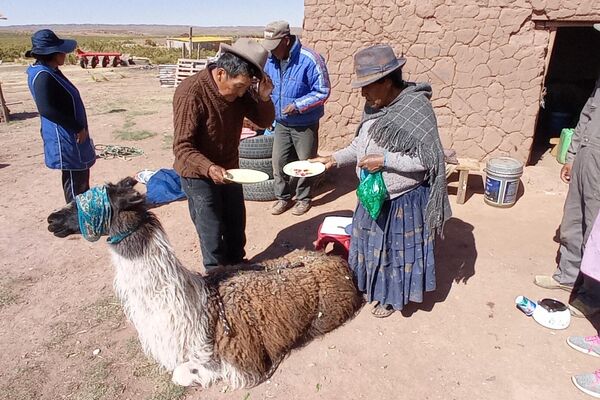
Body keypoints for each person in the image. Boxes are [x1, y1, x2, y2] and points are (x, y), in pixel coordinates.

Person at [311, 44, 451, 318]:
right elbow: (359, 146)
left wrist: (385, 161)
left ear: (387, 81)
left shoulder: (415, 108)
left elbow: (429, 160)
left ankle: (391, 298)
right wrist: (332, 159)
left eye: (367, 86)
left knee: (394, 253)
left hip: (404, 202)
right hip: (371, 193)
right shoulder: (374, 106)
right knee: (366, 243)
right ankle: (368, 286)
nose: (363, 93)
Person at [172, 38, 275, 272]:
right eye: (238, 86)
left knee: (235, 225)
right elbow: (182, 147)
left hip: (229, 169)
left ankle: (237, 266)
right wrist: (208, 168)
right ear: (220, 73)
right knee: (211, 228)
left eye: (245, 87)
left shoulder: (241, 91)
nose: (240, 94)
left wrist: (264, 98)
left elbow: (265, 121)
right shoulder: (191, 92)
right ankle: (216, 275)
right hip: (197, 173)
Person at [534, 25, 600, 318]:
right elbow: (587, 114)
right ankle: (568, 276)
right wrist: (572, 156)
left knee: (596, 230)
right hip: (588, 155)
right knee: (574, 219)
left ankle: (591, 295)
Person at [261, 20, 331, 216]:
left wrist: (299, 105)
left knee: (305, 164)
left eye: (274, 46)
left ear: (286, 40)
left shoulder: (310, 59)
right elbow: (266, 86)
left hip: (305, 123)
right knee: (279, 162)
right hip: (281, 122)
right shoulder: (270, 60)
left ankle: (303, 198)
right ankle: (283, 198)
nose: (271, 51)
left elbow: (323, 90)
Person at [26, 29, 96, 204]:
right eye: (62, 51)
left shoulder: (51, 70)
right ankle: (76, 217)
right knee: (74, 180)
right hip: (65, 134)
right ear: (53, 54)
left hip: (70, 133)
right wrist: (77, 127)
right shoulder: (43, 75)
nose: (65, 54)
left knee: (80, 176)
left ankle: (83, 214)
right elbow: (47, 109)